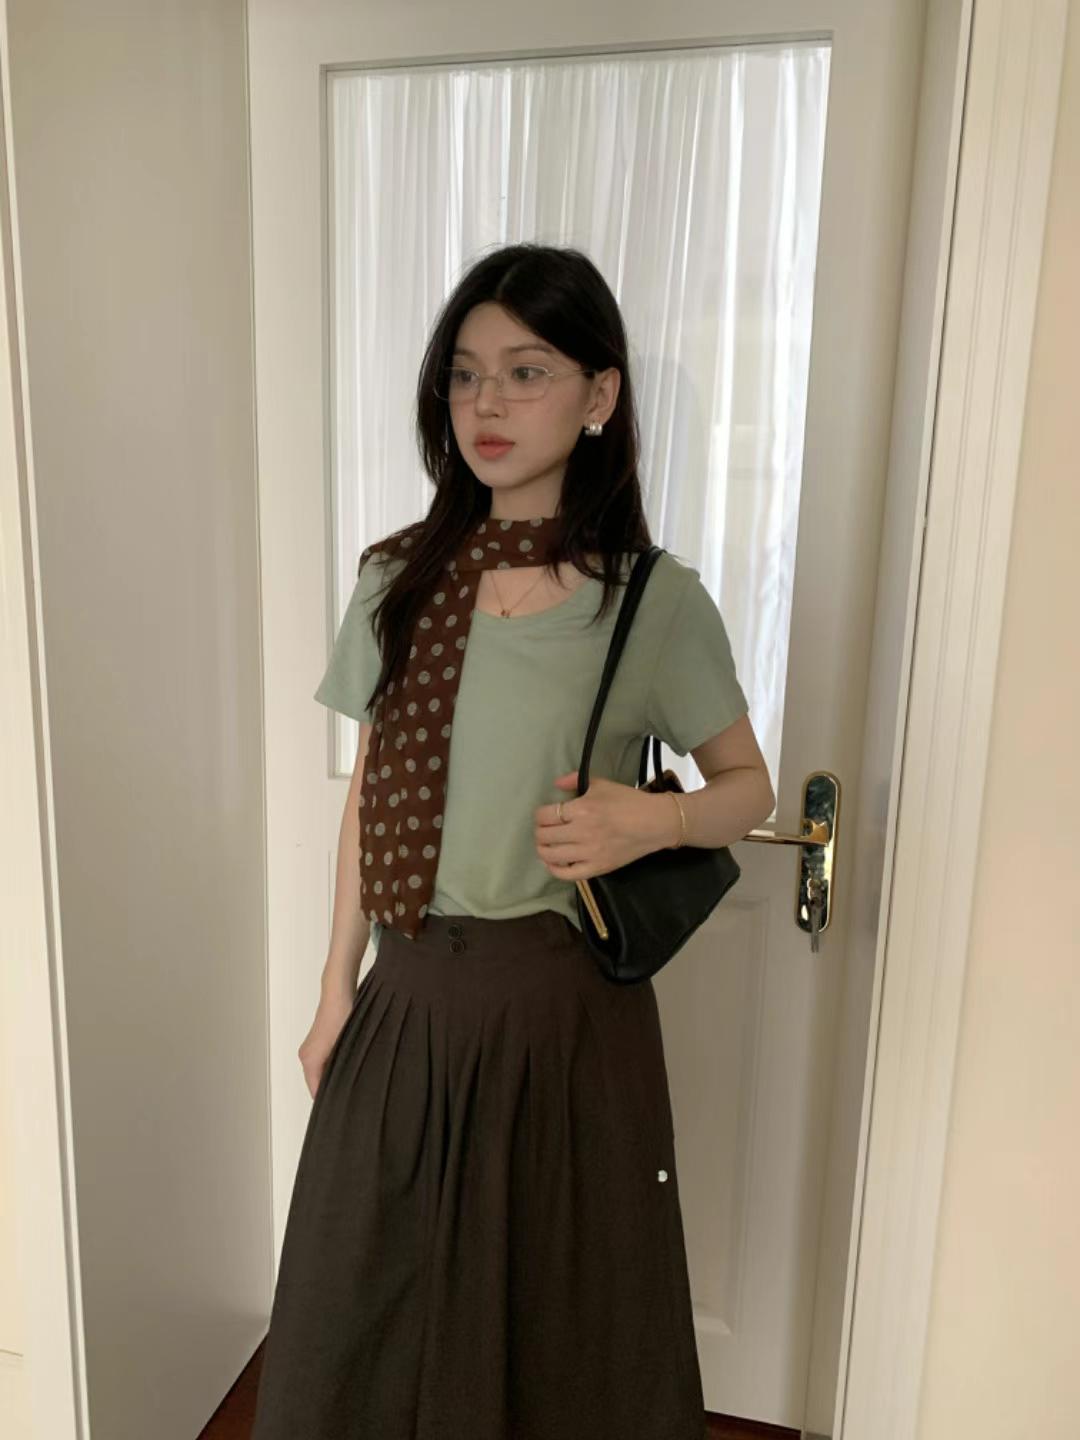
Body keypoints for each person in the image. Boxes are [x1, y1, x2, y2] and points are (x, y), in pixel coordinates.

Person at [251, 242, 775, 1440]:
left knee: (560, 1334)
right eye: (466, 373)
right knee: (358, 1322)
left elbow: (747, 788)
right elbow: (372, 792)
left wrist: (651, 817)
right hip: (408, 1001)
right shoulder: (397, 578)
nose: (487, 402)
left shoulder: (649, 601)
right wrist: (335, 990)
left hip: (562, 1018)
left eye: (527, 372)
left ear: (599, 396)